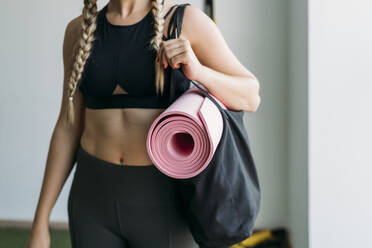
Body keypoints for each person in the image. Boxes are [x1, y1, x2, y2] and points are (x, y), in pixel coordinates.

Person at [27, 0, 261, 247]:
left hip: (165, 203)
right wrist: (40, 221)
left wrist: (199, 72)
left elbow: (250, 96)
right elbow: (68, 126)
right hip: (91, 200)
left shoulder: (184, 22)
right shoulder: (78, 30)